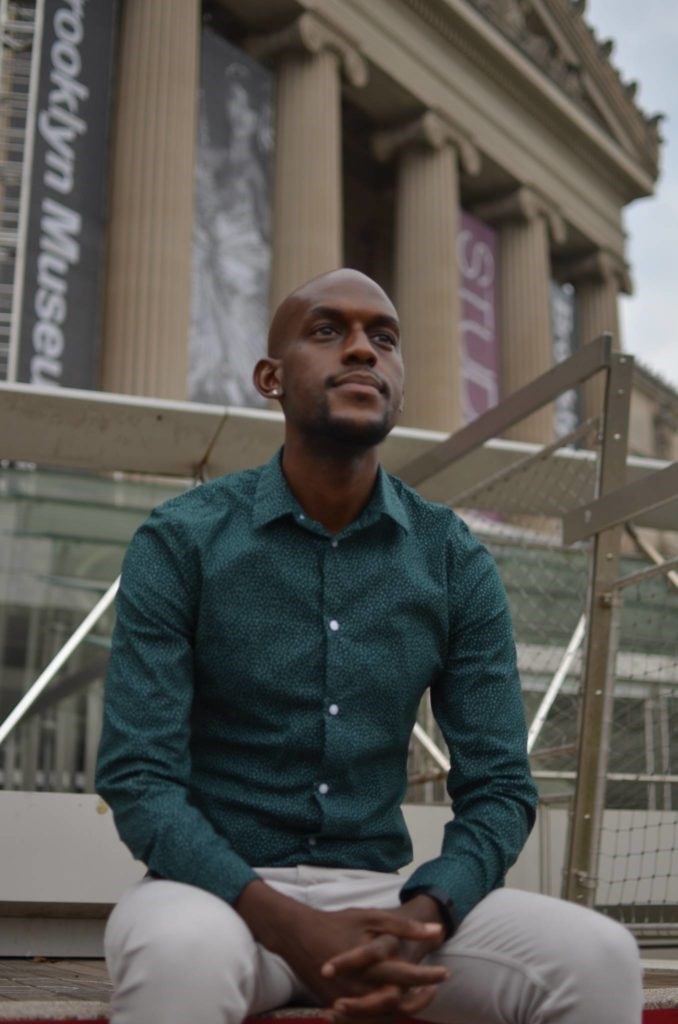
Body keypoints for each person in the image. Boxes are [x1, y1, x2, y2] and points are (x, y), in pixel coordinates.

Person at [96, 269, 643, 1024]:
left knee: (596, 957)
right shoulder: (182, 540)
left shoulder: (452, 558)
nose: (362, 351)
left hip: (384, 902)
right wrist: (292, 927)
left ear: (400, 386)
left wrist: (425, 918)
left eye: (382, 339)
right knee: (178, 959)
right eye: (328, 332)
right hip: (213, 895)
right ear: (271, 377)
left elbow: (500, 789)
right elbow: (139, 776)